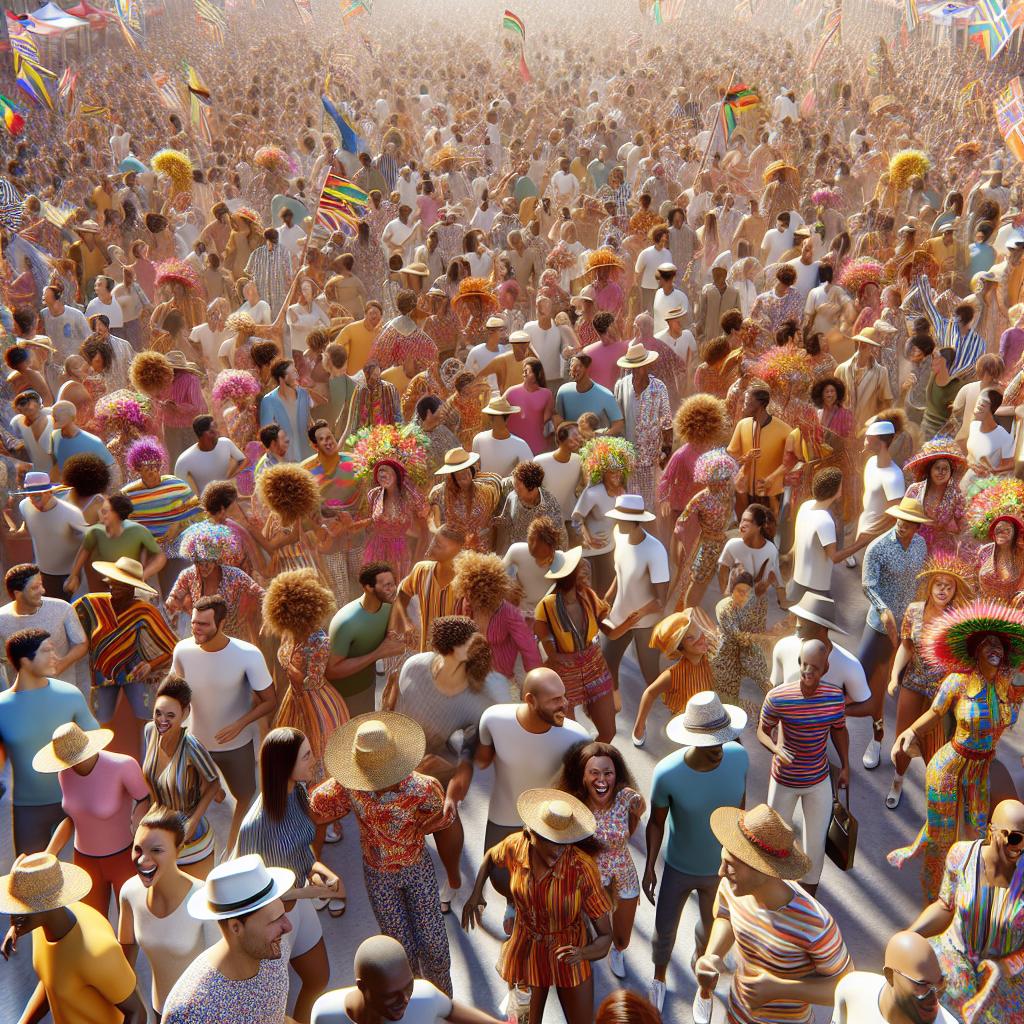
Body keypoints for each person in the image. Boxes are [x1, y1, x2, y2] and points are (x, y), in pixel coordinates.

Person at [889, 600, 1024, 903]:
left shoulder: (1007, 687)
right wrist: (910, 732)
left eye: (1000, 645)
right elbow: (936, 714)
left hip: (980, 771)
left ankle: (964, 895)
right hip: (948, 768)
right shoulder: (957, 682)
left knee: (978, 837)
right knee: (942, 837)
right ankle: (935, 899)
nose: (995, 648)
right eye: (987, 644)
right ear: (976, 651)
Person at [311, 713, 453, 996]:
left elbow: (442, 821)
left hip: (417, 869)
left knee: (434, 946)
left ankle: (443, 1004)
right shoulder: (349, 786)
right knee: (401, 950)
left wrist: (454, 873)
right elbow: (316, 807)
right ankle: (412, 1006)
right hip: (378, 875)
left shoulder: (422, 788)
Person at [461, 788, 613, 1024]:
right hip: (526, 948)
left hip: (568, 950)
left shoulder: (583, 869)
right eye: (550, 841)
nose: (559, 849)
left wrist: (582, 953)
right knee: (523, 1021)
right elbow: (492, 856)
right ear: (529, 834)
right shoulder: (516, 846)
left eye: (565, 841)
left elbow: (605, 936)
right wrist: (476, 893)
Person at [387, 616, 506, 910]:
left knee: (445, 818)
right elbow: (391, 695)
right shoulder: (415, 667)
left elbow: (472, 755)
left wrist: (450, 775)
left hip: (434, 760)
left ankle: (454, 881)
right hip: (395, 754)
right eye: (469, 642)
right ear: (448, 647)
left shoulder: (479, 698)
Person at [694, 804, 852, 1024]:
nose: (721, 872)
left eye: (729, 865)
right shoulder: (731, 888)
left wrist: (780, 989)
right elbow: (726, 916)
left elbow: (846, 984)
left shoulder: (816, 923)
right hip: (735, 1016)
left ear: (762, 868)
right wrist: (712, 956)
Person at [643, 691, 749, 1014]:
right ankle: (659, 978)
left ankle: (704, 989)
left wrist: (740, 858)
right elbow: (656, 823)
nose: (719, 748)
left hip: (719, 869)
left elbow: (739, 811)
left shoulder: (740, 757)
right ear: (691, 739)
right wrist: (649, 866)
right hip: (678, 866)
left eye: (723, 738)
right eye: (709, 742)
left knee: (710, 932)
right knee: (664, 930)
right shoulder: (666, 773)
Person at [235, 728, 342, 1022]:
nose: (314, 759)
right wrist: (311, 892)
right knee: (273, 1006)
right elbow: (249, 893)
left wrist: (322, 873)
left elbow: (304, 854)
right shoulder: (253, 826)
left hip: (300, 908)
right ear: (284, 765)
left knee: (318, 978)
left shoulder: (299, 792)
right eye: (306, 755)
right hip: (270, 923)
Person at [171, 596, 277, 853]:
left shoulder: (248, 654)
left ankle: (233, 850)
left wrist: (241, 724)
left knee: (245, 795)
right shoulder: (182, 651)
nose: (196, 629)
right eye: (194, 623)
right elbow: (174, 692)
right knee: (190, 800)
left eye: (204, 624)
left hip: (236, 745)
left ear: (222, 622)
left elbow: (270, 701)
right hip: (196, 744)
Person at [474, 668, 589, 904]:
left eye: (564, 696)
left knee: (544, 888)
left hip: (550, 824)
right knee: (502, 880)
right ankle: (512, 905)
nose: (565, 704)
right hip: (503, 816)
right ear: (530, 700)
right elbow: (482, 759)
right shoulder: (493, 719)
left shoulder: (578, 737)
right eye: (555, 700)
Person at [908, 798, 1024, 1022]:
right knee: (920, 997)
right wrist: (910, 935)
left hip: (1006, 974)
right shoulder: (962, 855)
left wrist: (1005, 967)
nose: (1020, 848)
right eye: (1015, 838)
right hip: (954, 955)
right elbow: (945, 905)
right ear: (992, 832)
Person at [0, 851, 146, 1024]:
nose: (13, 917)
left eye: (22, 908)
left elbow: (137, 1013)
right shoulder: (42, 928)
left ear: (47, 905)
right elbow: (53, 981)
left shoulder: (98, 951)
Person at [757, 638, 849, 893]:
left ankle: (809, 898)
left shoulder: (833, 698)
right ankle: (772, 890)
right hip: (783, 779)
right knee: (774, 838)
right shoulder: (778, 697)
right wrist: (775, 749)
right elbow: (762, 731)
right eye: (805, 665)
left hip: (818, 780)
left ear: (825, 669)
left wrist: (845, 767)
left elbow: (840, 731)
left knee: (815, 844)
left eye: (815, 667)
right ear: (799, 663)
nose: (808, 671)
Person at [160, 854, 296, 1024]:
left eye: (283, 914)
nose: (288, 927)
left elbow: (275, 1016)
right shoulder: (189, 1013)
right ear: (235, 927)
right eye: (274, 920)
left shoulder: (273, 951)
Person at [885, 554, 974, 811]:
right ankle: (898, 780)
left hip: (942, 691)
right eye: (939, 584)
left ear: (955, 590)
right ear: (930, 585)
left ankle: (935, 793)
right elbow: (906, 646)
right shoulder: (914, 610)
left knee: (937, 745)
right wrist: (894, 677)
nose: (943, 589)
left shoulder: (960, 618)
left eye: (949, 585)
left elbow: (964, 657)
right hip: (913, 682)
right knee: (902, 737)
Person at [0, 628, 100, 855]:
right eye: (47, 650)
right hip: (27, 810)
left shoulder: (70, 695)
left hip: (75, 805)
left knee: (83, 879)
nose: (55, 656)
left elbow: (97, 744)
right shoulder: (1, 707)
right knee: (33, 882)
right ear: (25, 661)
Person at [35, 721, 148, 917]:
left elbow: (145, 799)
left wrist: (138, 828)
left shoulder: (123, 766)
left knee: (130, 923)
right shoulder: (64, 774)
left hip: (123, 858)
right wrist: (50, 852)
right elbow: (73, 818)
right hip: (85, 862)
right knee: (92, 922)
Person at [555, 741, 646, 979]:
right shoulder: (574, 805)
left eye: (608, 773)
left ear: (617, 775)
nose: (601, 779)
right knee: (591, 930)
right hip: (590, 879)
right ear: (583, 777)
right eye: (594, 773)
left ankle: (617, 951)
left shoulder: (626, 798)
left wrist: (636, 803)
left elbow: (641, 809)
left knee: (622, 937)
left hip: (623, 874)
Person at [118, 808, 220, 1019]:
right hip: (159, 1012)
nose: (143, 860)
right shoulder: (129, 893)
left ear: (178, 850)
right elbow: (124, 965)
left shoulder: (206, 899)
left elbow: (221, 976)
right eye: (138, 849)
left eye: (156, 850)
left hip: (201, 1015)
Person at [73, 557, 176, 750]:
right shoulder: (91, 605)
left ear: (132, 588)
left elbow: (172, 647)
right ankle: (103, 762)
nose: (116, 589)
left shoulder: (144, 610)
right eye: (114, 584)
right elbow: (69, 626)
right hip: (101, 676)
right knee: (98, 722)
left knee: (148, 720)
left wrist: (150, 665)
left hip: (134, 674)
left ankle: (148, 766)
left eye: (123, 586)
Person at [859, 496, 931, 770]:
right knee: (865, 683)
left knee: (910, 686)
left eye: (910, 522)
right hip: (881, 627)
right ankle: (875, 737)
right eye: (901, 519)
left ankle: (903, 744)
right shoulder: (877, 547)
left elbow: (922, 580)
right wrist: (883, 610)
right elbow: (868, 586)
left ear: (917, 528)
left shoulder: (921, 546)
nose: (903, 525)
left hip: (912, 628)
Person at [263, 570, 350, 784]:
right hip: (294, 699)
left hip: (318, 704)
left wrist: (289, 666)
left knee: (320, 753)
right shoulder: (289, 633)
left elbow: (310, 681)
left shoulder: (320, 641)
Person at [311, 934, 504, 1024]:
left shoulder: (424, 996)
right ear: (362, 986)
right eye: (391, 995)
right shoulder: (325, 1015)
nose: (405, 1000)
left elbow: (451, 1009)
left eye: (408, 986)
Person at [142, 676, 222, 877]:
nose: (162, 721)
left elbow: (214, 783)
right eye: (158, 713)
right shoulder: (149, 731)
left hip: (191, 840)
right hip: (159, 830)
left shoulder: (191, 746)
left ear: (185, 713)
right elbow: (152, 781)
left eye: (170, 715)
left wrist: (193, 821)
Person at [601, 493, 670, 689]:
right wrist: (607, 597)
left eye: (623, 519)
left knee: (651, 676)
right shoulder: (620, 537)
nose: (618, 522)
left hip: (645, 623)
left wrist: (636, 617)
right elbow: (620, 572)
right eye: (617, 518)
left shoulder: (655, 550)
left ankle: (668, 707)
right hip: (619, 615)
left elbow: (660, 602)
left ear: (636, 521)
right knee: (606, 663)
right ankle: (612, 702)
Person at [831, 930, 957, 1024]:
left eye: (940, 983)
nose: (934, 997)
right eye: (922, 984)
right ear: (890, 976)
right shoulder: (851, 988)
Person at [328, 562, 403, 717]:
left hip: (368, 687)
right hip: (345, 695)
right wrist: (378, 653)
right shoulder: (346, 622)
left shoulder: (389, 607)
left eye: (393, 584)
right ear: (369, 587)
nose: (393, 589)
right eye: (386, 585)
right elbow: (331, 671)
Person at [0, 563, 88, 690]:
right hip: (23, 696)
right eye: (35, 588)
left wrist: (61, 664)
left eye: (41, 584)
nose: (42, 591)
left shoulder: (62, 608)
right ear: (17, 593)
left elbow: (81, 644)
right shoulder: (2, 619)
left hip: (62, 691)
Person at [66, 492, 166, 597]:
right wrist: (74, 576)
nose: (101, 514)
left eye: (105, 512)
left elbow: (160, 557)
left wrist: (144, 576)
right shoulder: (95, 531)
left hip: (127, 584)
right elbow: (84, 551)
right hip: (101, 585)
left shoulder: (138, 531)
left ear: (117, 514)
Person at [16, 473, 88, 600]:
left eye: (37, 496)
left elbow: (88, 541)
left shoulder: (71, 513)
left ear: (49, 492)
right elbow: (28, 524)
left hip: (68, 576)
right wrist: (19, 531)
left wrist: (75, 574)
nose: (33, 500)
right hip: (42, 573)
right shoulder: (24, 506)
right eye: (30, 496)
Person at [727, 383, 791, 518]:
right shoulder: (742, 425)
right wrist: (746, 458)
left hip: (770, 493)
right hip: (744, 492)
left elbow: (793, 461)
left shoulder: (784, 429)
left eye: (748, 401)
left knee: (768, 530)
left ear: (761, 404)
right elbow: (733, 457)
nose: (744, 405)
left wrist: (773, 477)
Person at [173, 415, 245, 497]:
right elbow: (179, 489)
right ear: (202, 435)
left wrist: (231, 477)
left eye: (216, 427)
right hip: (206, 504)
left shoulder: (226, 443)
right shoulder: (184, 460)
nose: (217, 432)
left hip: (230, 496)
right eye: (212, 431)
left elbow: (243, 460)